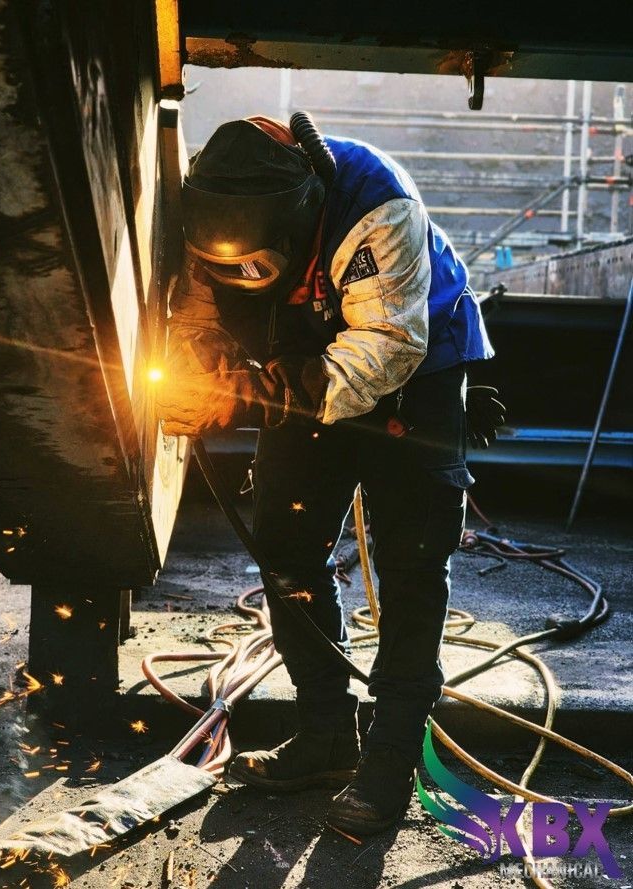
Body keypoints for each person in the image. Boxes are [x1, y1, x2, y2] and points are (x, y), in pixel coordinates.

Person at [156, 112, 504, 836]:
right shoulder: (209, 214)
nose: (240, 276)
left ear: (296, 224)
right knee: (285, 550)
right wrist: (200, 377)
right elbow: (191, 323)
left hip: (415, 373)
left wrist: (294, 388)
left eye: (257, 264)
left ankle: (390, 761)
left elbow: (387, 341)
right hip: (303, 365)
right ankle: (325, 737)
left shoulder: (376, 206)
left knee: (410, 567)